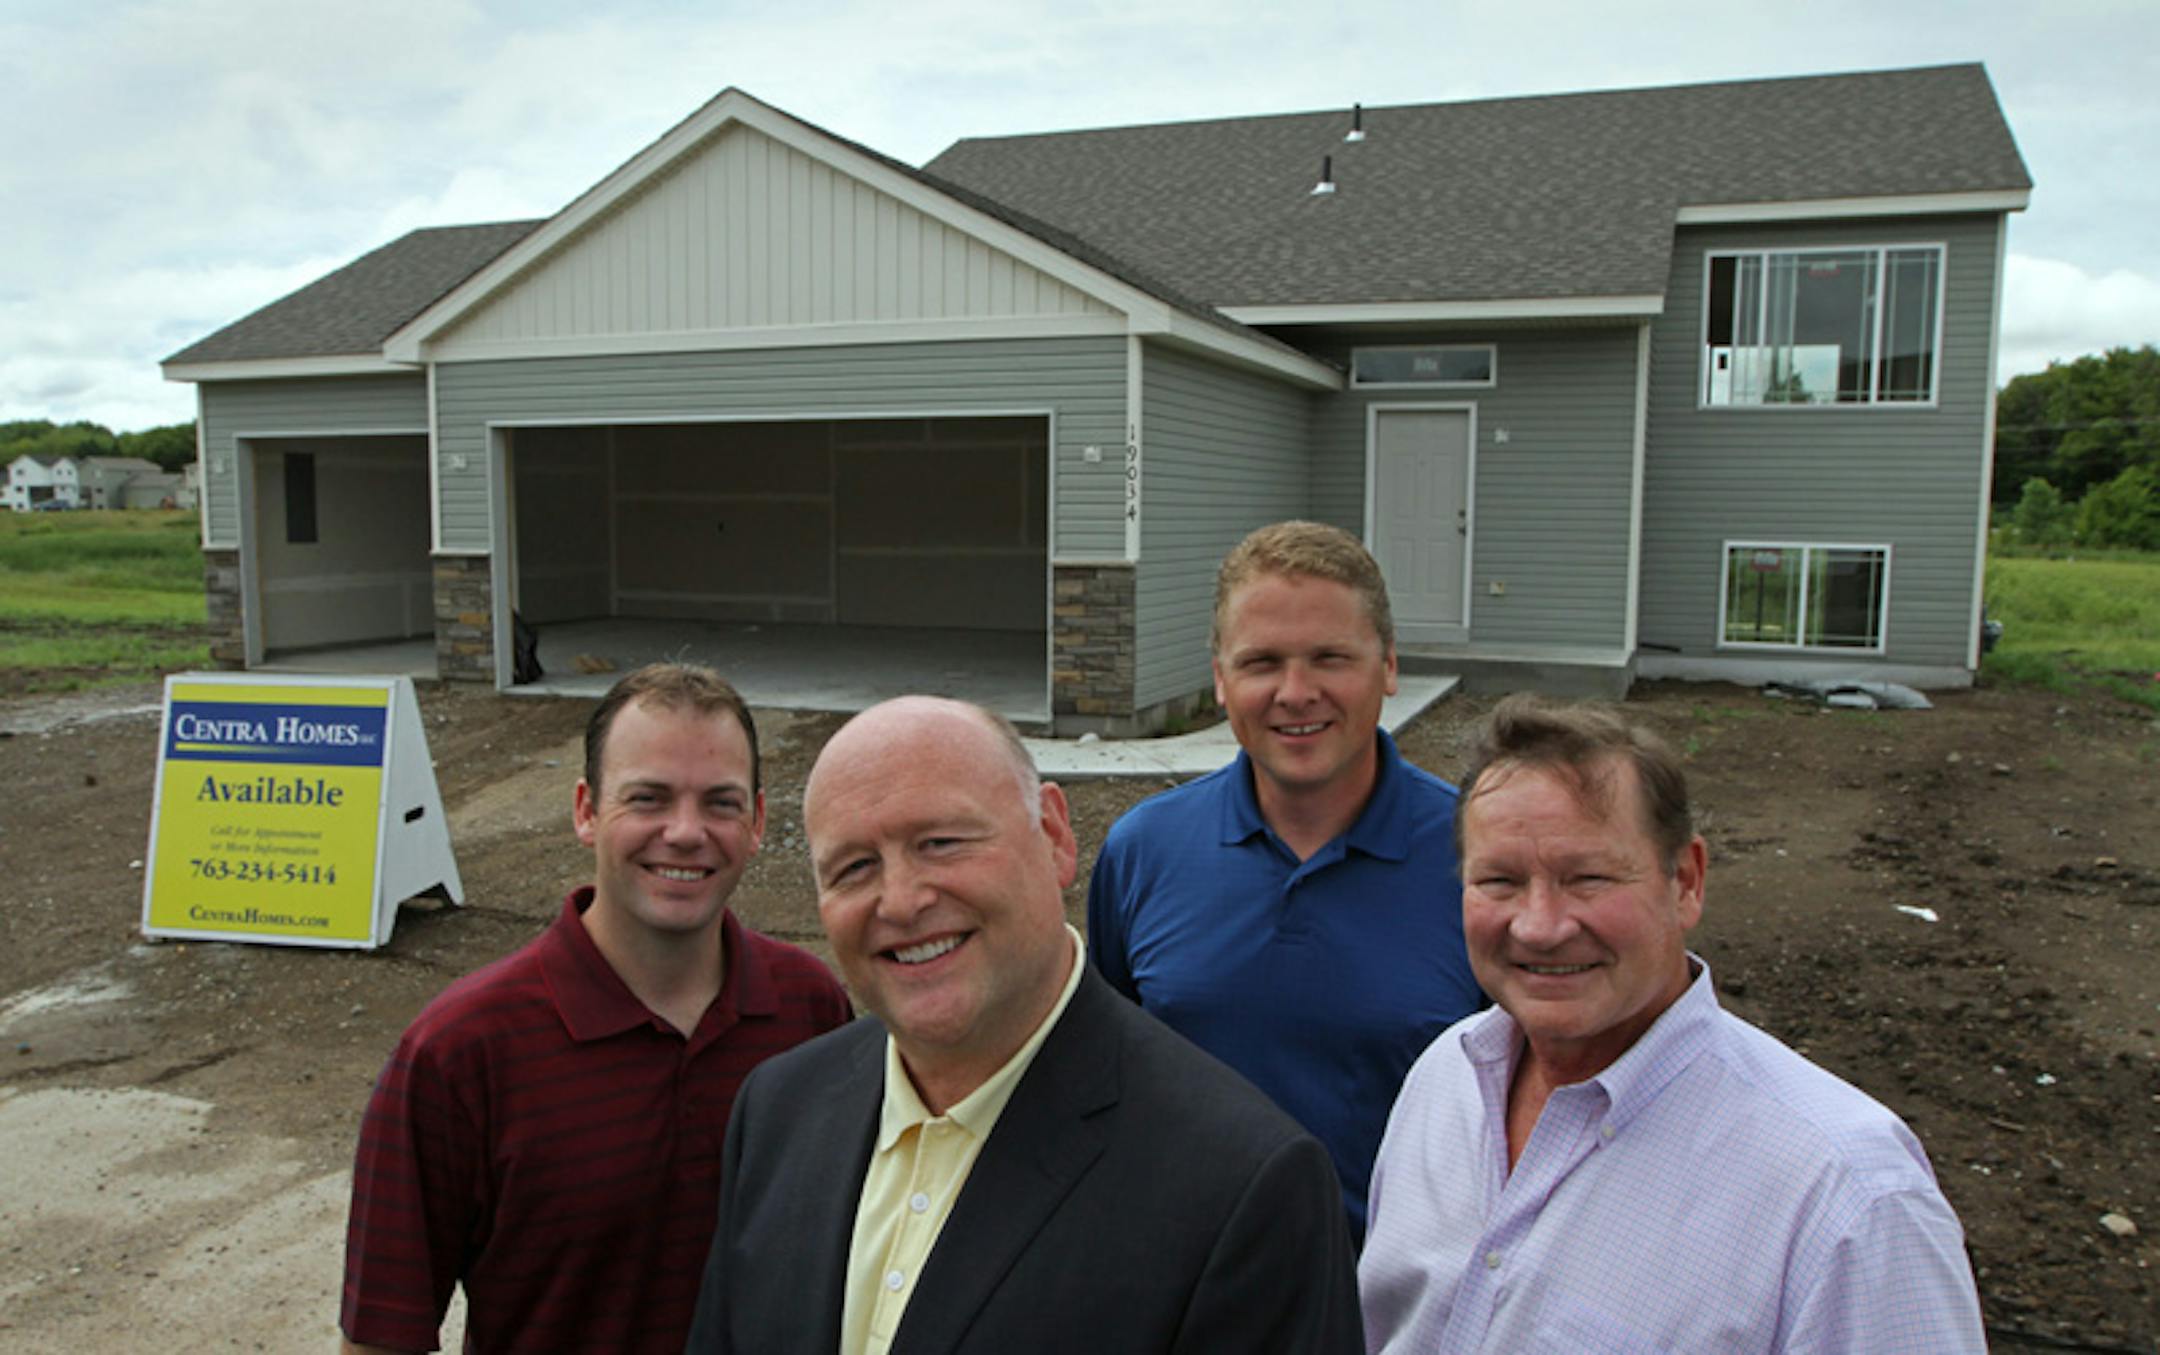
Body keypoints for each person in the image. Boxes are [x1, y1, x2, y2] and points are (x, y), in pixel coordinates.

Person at [687, 696, 1363, 1355]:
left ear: (1054, 836)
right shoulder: (778, 1110)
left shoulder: (1246, 1186)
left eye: (941, 842)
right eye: (854, 867)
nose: (900, 900)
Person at [1359, 696, 1985, 1352]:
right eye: (1500, 880)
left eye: (1588, 877)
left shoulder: (1848, 1197)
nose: (1540, 925)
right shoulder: (1442, 1078)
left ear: (1685, 880)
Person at [339, 664, 852, 1355]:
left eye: (720, 803)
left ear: (758, 821)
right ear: (586, 809)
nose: (685, 831)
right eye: (648, 798)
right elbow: (382, 1338)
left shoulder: (809, 1010)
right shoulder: (459, 1053)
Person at [1087, 519, 1481, 1241]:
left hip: (1398, 1307)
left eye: (1330, 657)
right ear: (1220, 678)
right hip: (1187, 1294)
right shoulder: (1143, 851)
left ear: (1388, 666)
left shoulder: (1481, 857)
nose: (1295, 692)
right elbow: (1102, 1072)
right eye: (1262, 661)